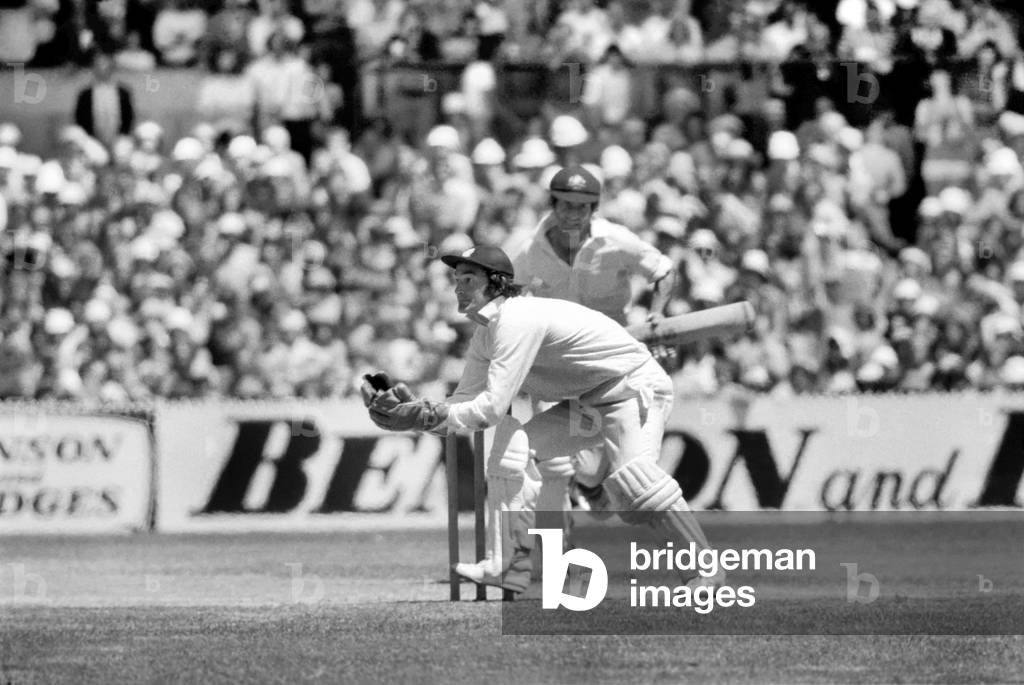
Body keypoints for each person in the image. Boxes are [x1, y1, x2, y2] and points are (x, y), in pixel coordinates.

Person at [362, 245, 719, 594]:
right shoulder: (485, 334)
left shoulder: (516, 320)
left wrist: (427, 415)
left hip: (635, 386)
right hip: (590, 401)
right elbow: (462, 404)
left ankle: (705, 571)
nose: (458, 286)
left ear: (496, 282)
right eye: (456, 278)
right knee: (511, 449)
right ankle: (504, 563)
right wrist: (418, 416)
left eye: (468, 278)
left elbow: (489, 410)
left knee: (635, 485)